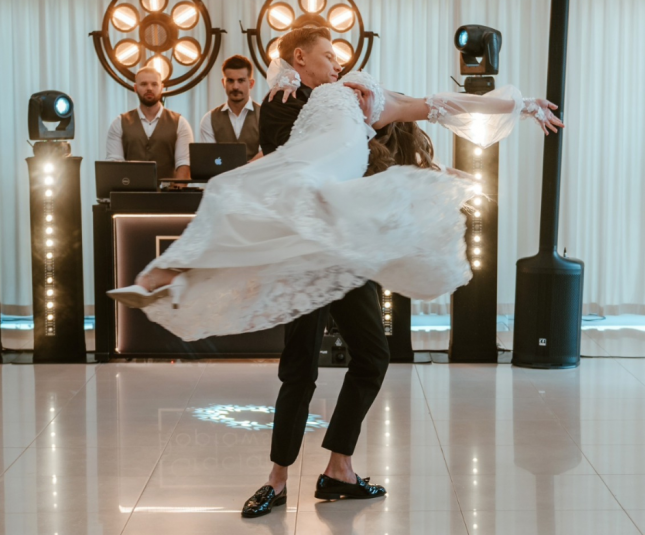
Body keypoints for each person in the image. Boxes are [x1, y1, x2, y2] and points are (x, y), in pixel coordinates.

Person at [107, 26, 563, 517]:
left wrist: (519, 105)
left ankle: (339, 468)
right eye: (328, 56)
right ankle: (276, 479)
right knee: (298, 365)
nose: (339, 65)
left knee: (372, 355)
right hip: (303, 245)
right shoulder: (282, 100)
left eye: (341, 59)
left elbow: (439, 104)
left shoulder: (367, 99)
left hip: (344, 247)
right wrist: (283, 77)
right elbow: (282, 144)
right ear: (301, 61)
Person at [105, 66, 193, 181]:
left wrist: (177, 191)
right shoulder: (119, 123)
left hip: (168, 192)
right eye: (144, 84)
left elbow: (184, 164)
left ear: (161, 87)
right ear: (135, 88)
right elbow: (115, 165)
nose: (149, 88)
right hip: (130, 191)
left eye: (154, 84)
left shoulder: (180, 123)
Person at [198, 55, 263, 161]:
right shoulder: (209, 119)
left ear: (251, 84)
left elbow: (268, 154)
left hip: (257, 172)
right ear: (223, 83)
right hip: (221, 172)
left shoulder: (265, 115)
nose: (235, 87)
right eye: (230, 81)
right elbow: (209, 160)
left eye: (241, 81)